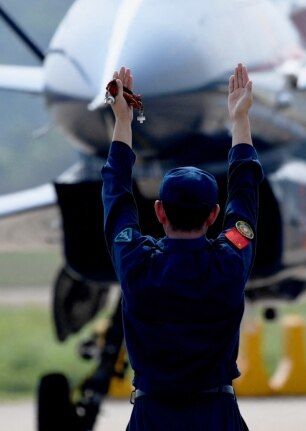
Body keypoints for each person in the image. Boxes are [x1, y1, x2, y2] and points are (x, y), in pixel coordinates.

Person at [102, 63, 262, 431]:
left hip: (152, 418)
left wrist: (122, 122)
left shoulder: (135, 263)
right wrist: (240, 119)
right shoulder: (229, 263)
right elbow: (245, 194)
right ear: (213, 215)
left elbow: (116, 194)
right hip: (217, 417)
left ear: (158, 211)